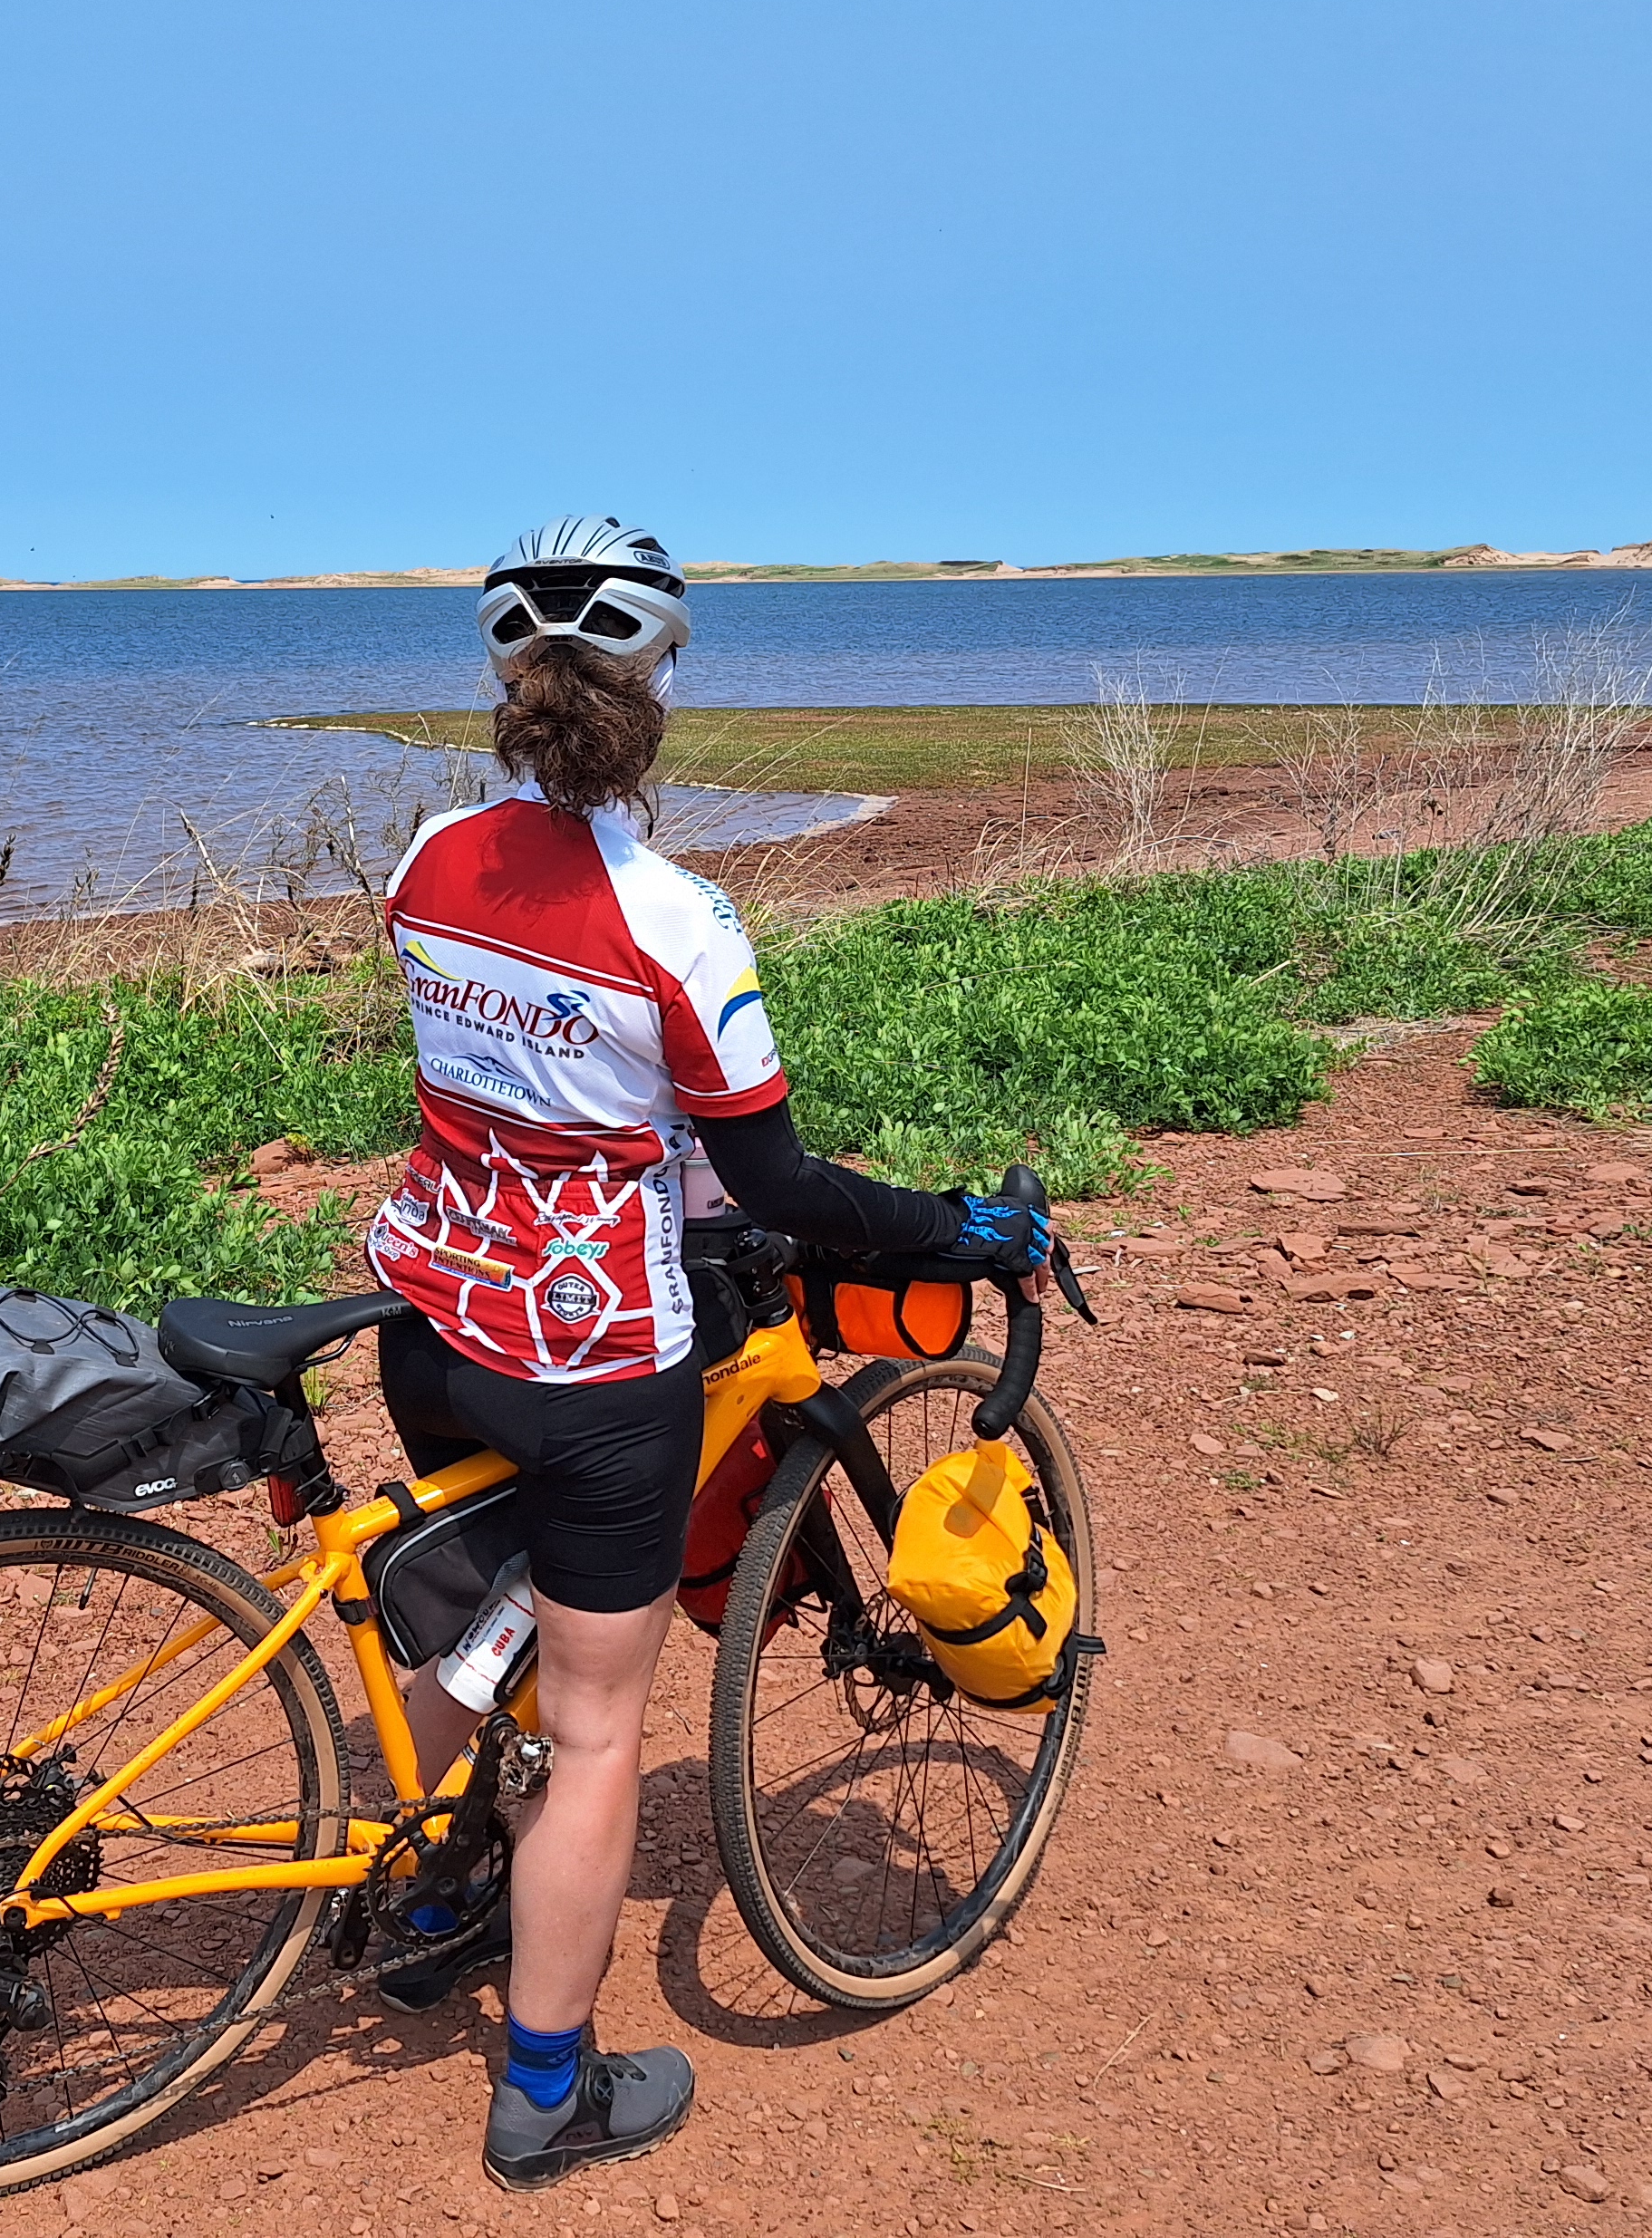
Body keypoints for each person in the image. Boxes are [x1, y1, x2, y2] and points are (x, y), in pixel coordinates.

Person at [362, 516, 1053, 2189]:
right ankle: (546, 2094)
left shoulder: (424, 863)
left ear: (508, 681)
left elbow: (514, 1091)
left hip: (433, 1319)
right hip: (595, 1363)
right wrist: (959, 1225)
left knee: (491, 1605)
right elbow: (777, 1186)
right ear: (659, 684)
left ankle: (437, 1881)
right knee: (598, 1724)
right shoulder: (681, 921)